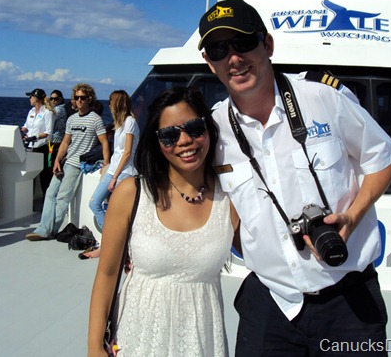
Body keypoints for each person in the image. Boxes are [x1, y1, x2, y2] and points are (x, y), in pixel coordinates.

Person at [198, 0, 391, 355]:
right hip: (270, 301)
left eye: (244, 43)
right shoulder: (212, 129)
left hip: (349, 298)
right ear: (209, 62)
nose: (233, 58)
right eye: (218, 49)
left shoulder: (324, 98)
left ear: (268, 44)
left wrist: (352, 218)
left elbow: (385, 158)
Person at [87, 87, 240, 356]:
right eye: (169, 135)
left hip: (201, 340)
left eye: (194, 128)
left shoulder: (230, 198)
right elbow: (108, 274)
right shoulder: (131, 193)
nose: (184, 141)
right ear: (157, 143)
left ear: (209, 130)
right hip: (138, 337)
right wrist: (94, 346)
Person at [26, 83, 110, 241]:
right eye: (76, 97)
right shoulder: (71, 119)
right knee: (50, 193)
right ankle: (43, 228)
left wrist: (106, 163)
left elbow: (104, 142)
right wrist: (57, 160)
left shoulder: (95, 120)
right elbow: (65, 142)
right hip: (66, 161)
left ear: (89, 99)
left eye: (82, 98)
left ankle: (50, 231)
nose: (78, 100)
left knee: (62, 197)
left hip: (77, 164)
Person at [88, 90, 140, 231]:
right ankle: (110, 236)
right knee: (94, 203)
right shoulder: (120, 124)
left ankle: (113, 240)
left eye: (111, 101)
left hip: (125, 171)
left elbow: (127, 152)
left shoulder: (130, 122)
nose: (109, 105)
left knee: (117, 210)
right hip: (114, 169)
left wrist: (115, 177)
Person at [21, 88, 55, 195]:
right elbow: (27, 126)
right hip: (30, 147)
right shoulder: (31, 112)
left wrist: (35, 137)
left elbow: (49, 132)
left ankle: (46, 203)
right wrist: (22, 130)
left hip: (42, 147)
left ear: (36, 98)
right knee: (31, 175)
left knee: (44, 176)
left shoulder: (48, 112)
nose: (29, 99)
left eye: (31, 97)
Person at [48, 90, 67, 171]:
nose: (53, 101)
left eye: (55, 99)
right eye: (51, 99)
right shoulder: (60, 109)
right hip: (56, 141)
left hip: (56, 142)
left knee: (50, 165)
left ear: (60, 99)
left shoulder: (58, 110)